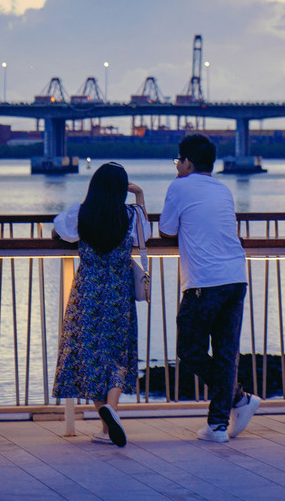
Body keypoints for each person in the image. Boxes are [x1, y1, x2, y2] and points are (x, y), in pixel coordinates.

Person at [159, 133, 260, 443]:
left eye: (178, 161)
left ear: (188, 162)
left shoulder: (179, 186)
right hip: (236, 276)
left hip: (205, 280)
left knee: (189, 350)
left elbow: (166, 230)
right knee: (226, 353)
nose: (178, 166)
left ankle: (237, 401)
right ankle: (219, 423)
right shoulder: (223, 189)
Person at [52, 161, 151, 446]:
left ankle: (107, 424)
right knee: (117, 354)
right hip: (118, 294)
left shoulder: (80, 213)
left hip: (88, 293)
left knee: (89, 355)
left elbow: (59, 232)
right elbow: (146, 235)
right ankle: (112, 412)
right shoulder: (131, 215)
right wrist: (140, 196)